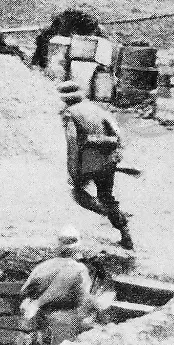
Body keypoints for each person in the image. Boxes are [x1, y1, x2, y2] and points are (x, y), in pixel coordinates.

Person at [58, 81, 133, 250]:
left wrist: (73, 172)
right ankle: (125, 234)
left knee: (77, 193)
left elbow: (72, 145)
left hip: (87, 164)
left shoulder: (70, 114)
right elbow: (118, 133)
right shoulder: (97, 109)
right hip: (108, 161)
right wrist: (116, 155)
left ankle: (110, 212)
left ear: (64, 99)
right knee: (107, 196)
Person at [20, 227, 103, 345]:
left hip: (36, 321)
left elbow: (24, 291)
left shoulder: (42, 267)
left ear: (58, 246)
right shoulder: (79, 270)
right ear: (77, 248)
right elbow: (84, 298)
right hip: (64, 323)